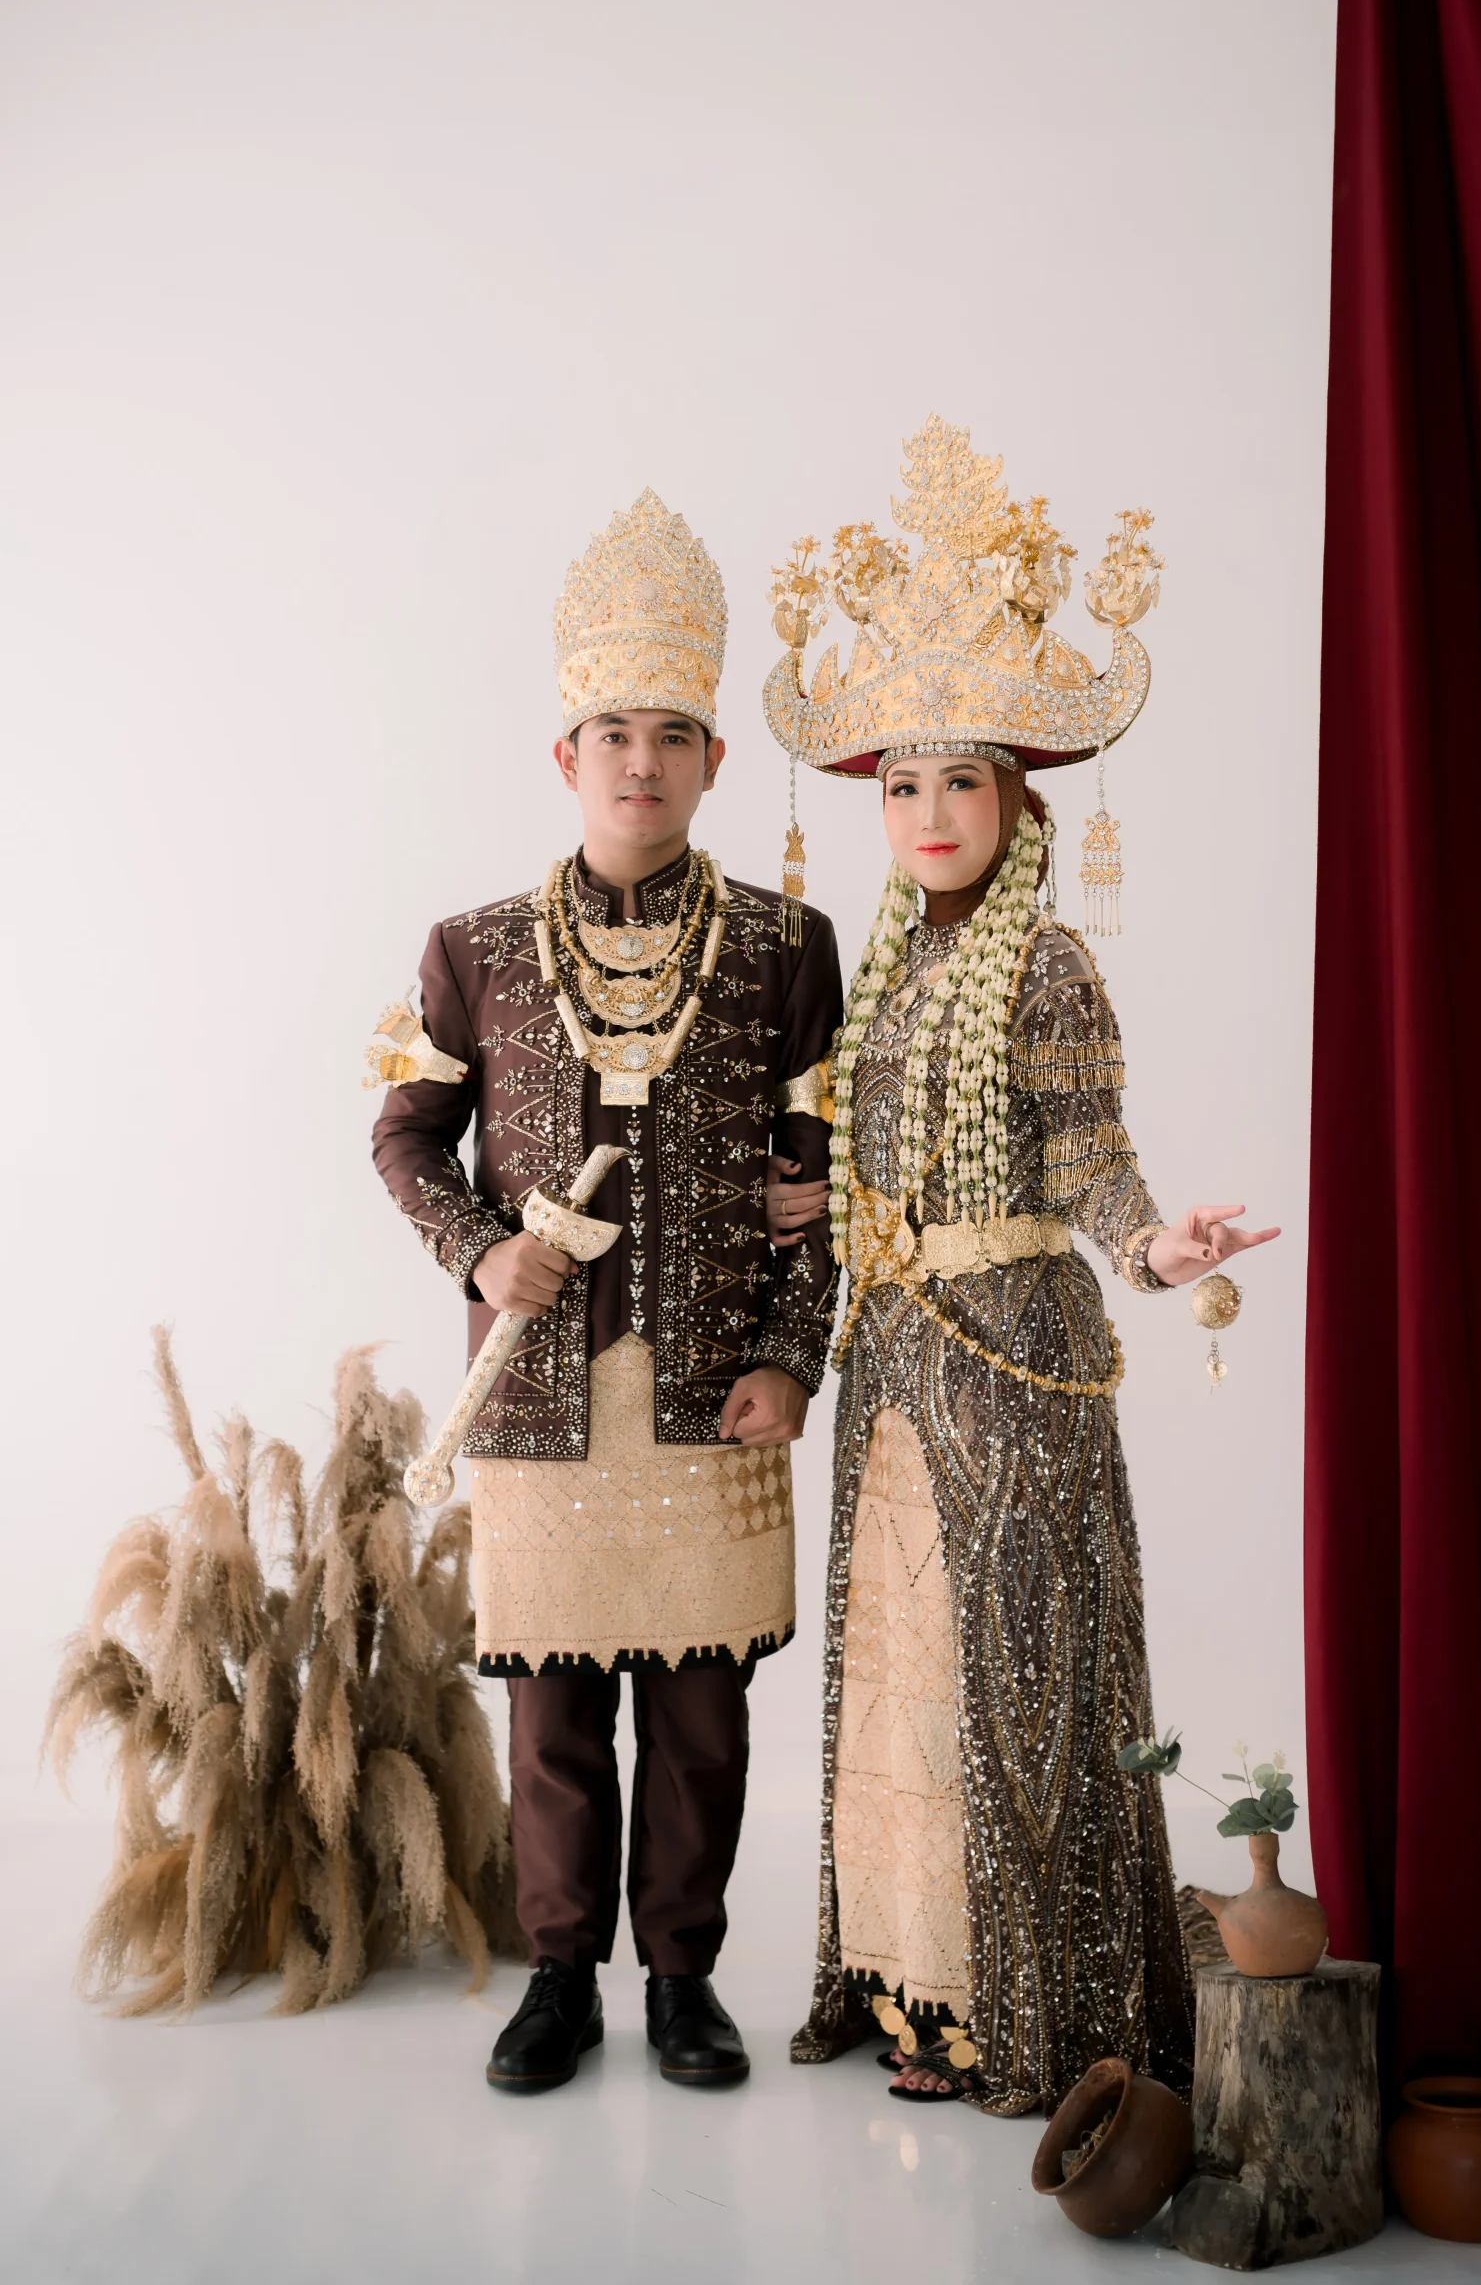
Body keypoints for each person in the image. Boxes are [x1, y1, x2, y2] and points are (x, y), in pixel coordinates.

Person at [762, 420, 1278, 2113]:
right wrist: (803, 1212)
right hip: (892, 1351)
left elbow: (1087, 1153)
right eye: (899, 786)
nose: (926, 814)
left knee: (1015, 1668)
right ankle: (909, 1978)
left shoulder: (1045, 963)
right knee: (901, 1669)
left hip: (1015, 1350)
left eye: (958, 782)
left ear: (1015, 798)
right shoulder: (882, 975)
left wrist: (1152, 1243)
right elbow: (863, 1162)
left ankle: (1025, 2003)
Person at [373, 489, 841, 2094]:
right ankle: (561, 1975)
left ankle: (684, 1982)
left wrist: (792, 1357)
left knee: (703, 1714)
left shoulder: (784, 947)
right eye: (614, 734)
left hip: (715, 1391)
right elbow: (404, 1134)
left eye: (672, 735)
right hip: (540, 1389)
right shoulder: (474, 949)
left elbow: (825, 1183)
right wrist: (476, 1248)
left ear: (713, 761)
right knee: (555, 1712)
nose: (642, 762)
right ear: (564, 757)